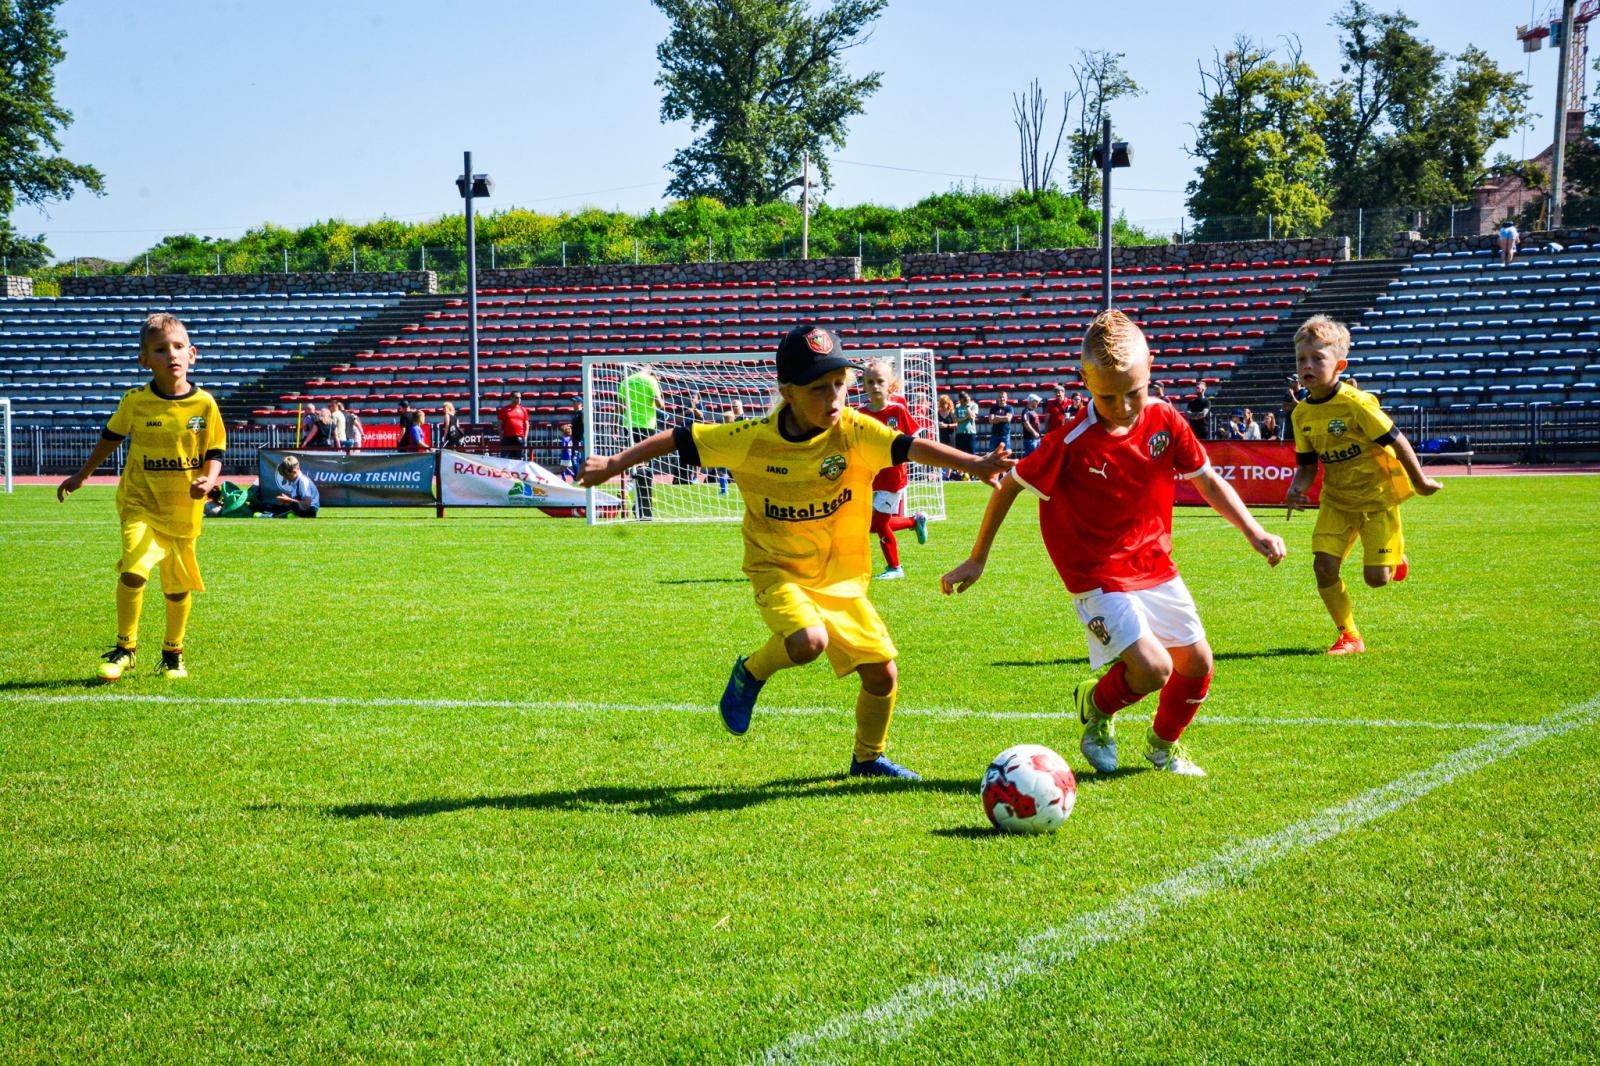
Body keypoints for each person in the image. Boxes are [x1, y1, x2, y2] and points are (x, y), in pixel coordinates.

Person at [579, 324, 1014, 780]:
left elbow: (910, 447)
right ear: (787, 393)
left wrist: (976, 463)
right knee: (808, 641)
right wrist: (612, 464)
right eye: (818, 389)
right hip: (777, 570)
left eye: (839, 384)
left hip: (840, 578)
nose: (834, 398)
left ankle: (867, 759)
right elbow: (677, 438)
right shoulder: (750, 438)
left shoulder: (855, 430)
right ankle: (751, 671)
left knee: (882, 674)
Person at [940, 309, 1287, 778]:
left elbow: (1207, 480)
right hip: (1095, 572)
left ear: (1151, 369)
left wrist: (1254, 531)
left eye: (1133, 392)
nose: (1123, 406)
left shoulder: (1165, 418)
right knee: (1153, 668)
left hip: (1154, 562)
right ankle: (1096, 708)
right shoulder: (1070, 441)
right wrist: (977, 558)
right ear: (1084, 380)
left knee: (1197, 662)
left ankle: (1163, 748)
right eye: (1107, 396)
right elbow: (1010, 486)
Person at [57, 312, 226, 682]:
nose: (172, 355)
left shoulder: (205, 405)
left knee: (177, 587)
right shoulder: (135, 401)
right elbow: (111, 437)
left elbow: (215, 451)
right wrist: (83, 474)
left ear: (192, 354)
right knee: (134, 570)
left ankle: (173, 653)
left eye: (178, 347)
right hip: (139, 502)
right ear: (145, 360)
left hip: (182, 509)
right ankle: (125, 648)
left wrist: (209, 480)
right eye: (161, 349)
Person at [1285, 315, 1443, 656]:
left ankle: (1395, 554)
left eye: (1317, 358)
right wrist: (1297, 488)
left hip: (1377, 500)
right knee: (1323, 567)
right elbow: (1307, 465)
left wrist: (1420, 481)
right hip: (1337, 502)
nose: (1307, 366)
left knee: (1377, 579)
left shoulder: (1357, 403)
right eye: (1301, 359)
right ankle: (1350, 636)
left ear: (1339, 365)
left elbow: (1397, 441)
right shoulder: (1300, 415)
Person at [856, 358, 929, 581]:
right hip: (869, 477)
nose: (875, 386)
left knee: (879, 524)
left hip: (892, 478)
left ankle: (895, 568)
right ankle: (914, 521)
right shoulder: (859, 414)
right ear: (864, 386)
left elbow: (914, 439)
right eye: (870, 382)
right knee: (872, 525)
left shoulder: (897, 410)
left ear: (890, 385)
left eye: (880, 381)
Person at [618, 366, 661, 520]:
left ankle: (631, 492)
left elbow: (620, 406)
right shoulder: (651, 380)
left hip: (629, 425)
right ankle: (639, 500)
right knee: (645, 463)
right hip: (646, 425)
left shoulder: (626, 381)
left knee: (636, 461)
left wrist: (616, 425)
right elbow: (660, 404)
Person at [496, 393, 528, 460]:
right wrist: (501, 436)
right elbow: (499, 424)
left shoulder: (523, 410)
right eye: (516, 397)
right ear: (511, 398)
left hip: (519, 438)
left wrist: (525, 437)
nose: (519, 399)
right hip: (507, 438)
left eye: (520, 398)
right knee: (505, 459)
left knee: (518, 459)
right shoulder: (504, 409)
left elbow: (526, 424)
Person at [987, 390, 1015, 454]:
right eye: (1000, 397)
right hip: (994, 434)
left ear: (1006, 398)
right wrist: (1003, 418)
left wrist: (996, 417)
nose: (1002, 399)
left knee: (1005, 454)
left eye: (1003, 397)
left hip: (1005, 434)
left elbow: (1008, 419)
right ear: (997, 398)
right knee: (992, 454)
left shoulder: (1009, 408)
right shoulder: (993, 408)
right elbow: (991, 420)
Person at [953, 390, 978, 457]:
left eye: (962, 399)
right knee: (960, 455)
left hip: (970, 433)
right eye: (960, 399)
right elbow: (955, 419)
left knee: (971, 455)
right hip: (960, 433)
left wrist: (968, 407)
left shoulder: (974, 405)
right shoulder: (958, 406)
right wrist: (965, 418)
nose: (961, 401)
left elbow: (972, 417)